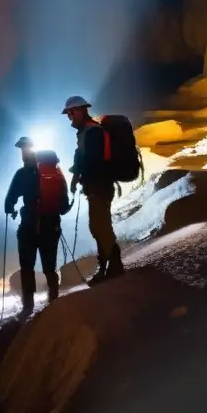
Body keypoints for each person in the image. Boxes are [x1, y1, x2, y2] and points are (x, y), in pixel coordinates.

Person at [63, 95, 124, 286]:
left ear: (81, 110)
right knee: (97, 227)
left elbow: (92, 162)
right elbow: (81, 160)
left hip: (100, 187)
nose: (69, 117)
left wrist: (81, 177)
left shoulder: (92, 132)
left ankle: (114, 267)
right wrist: (76, 179)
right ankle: (106, 267)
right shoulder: (85, 133)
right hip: (96, 187)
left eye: (71, 112)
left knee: (101, 227)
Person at [5, 136, 63, 315]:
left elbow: (9, 202)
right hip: (51, 224)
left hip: (29, 224)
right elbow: (64, 203)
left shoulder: (22, 174)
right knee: (49, 264)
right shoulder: (54, 172)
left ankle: (28, 304)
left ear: (23, 151)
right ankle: (53, 296)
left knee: (27, 265)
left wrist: (12, 209)